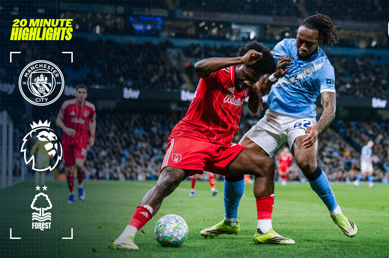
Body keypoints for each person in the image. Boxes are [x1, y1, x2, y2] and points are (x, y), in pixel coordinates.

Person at [113, 41, 294, 251]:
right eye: (247, 75)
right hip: (191, 138)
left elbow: (254, 106)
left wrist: (264, 82)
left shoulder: (248, 85)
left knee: (264, 164)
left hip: (221, 147)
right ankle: (127, 235)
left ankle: (264, 230)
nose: (247, 81)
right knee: (169, 180)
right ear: (243, 64)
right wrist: (240, 61)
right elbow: (199, 67)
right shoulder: (221, 73)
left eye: (253, 78)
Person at [201, 14, 357, 239]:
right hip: (273, 117)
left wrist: (317, 128)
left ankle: (337, 213)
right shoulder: (284, 47)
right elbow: (259, 88)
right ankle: (230, 221)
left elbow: (329, 107)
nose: (301, 46)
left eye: (308, 43)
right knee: (233, 162)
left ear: (320, 41)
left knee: (306, 163)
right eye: (299, 40)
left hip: (301, 119)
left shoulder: (325, 68)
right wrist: (274, 75)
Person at [56, 85, 96, 203]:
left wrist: (92, 136)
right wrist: (65, 128)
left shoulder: (90, 107)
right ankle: (71, 193)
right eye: (79, 92)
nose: (81, 94)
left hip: (81, 140)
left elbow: (93, 121)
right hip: (67, 140)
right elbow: (58, 120)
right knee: (69, 170)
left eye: (84, 92)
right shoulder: (67, 105)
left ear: (86, 95)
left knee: (79, 165)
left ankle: (80, 186)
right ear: (75, 93)